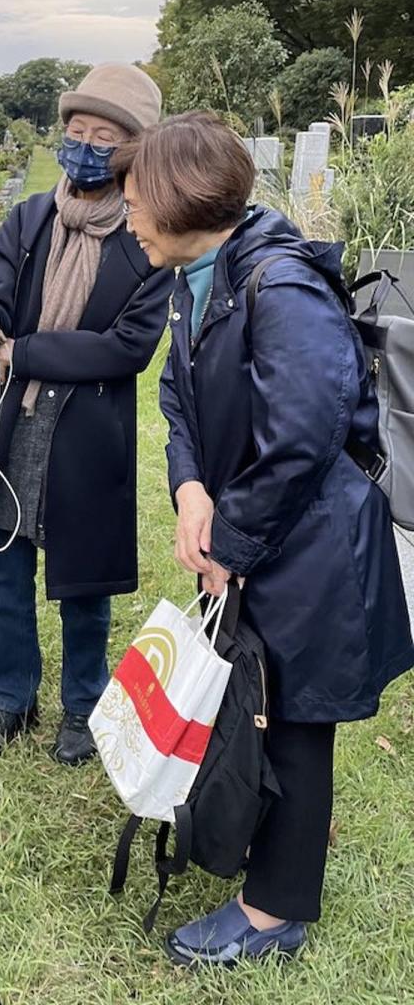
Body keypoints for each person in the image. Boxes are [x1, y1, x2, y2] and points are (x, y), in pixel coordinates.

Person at [112, 110, 414, 967]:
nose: (129, 217)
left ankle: (276, 912)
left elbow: (305, 438)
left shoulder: (278, 287)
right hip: (259, 525)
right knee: (256, 699)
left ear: (177, 202)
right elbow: (177, 398)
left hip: (312, 545)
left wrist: (227, 542)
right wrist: (190, 487)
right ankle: (258, 850)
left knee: (295, 718)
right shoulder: (198, 275)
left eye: (137, 202)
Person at [0, 64, 174, 764]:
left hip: (83, 435)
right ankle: (11, 699)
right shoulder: (30, 218)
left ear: (132, 153)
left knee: (84, 586)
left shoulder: (145, 241)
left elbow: (126, 349)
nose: (84, 146)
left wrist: (20, 350)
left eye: (103, 137)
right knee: (3, 572)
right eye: (75, 132)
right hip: (11, 425)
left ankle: (84, 709)